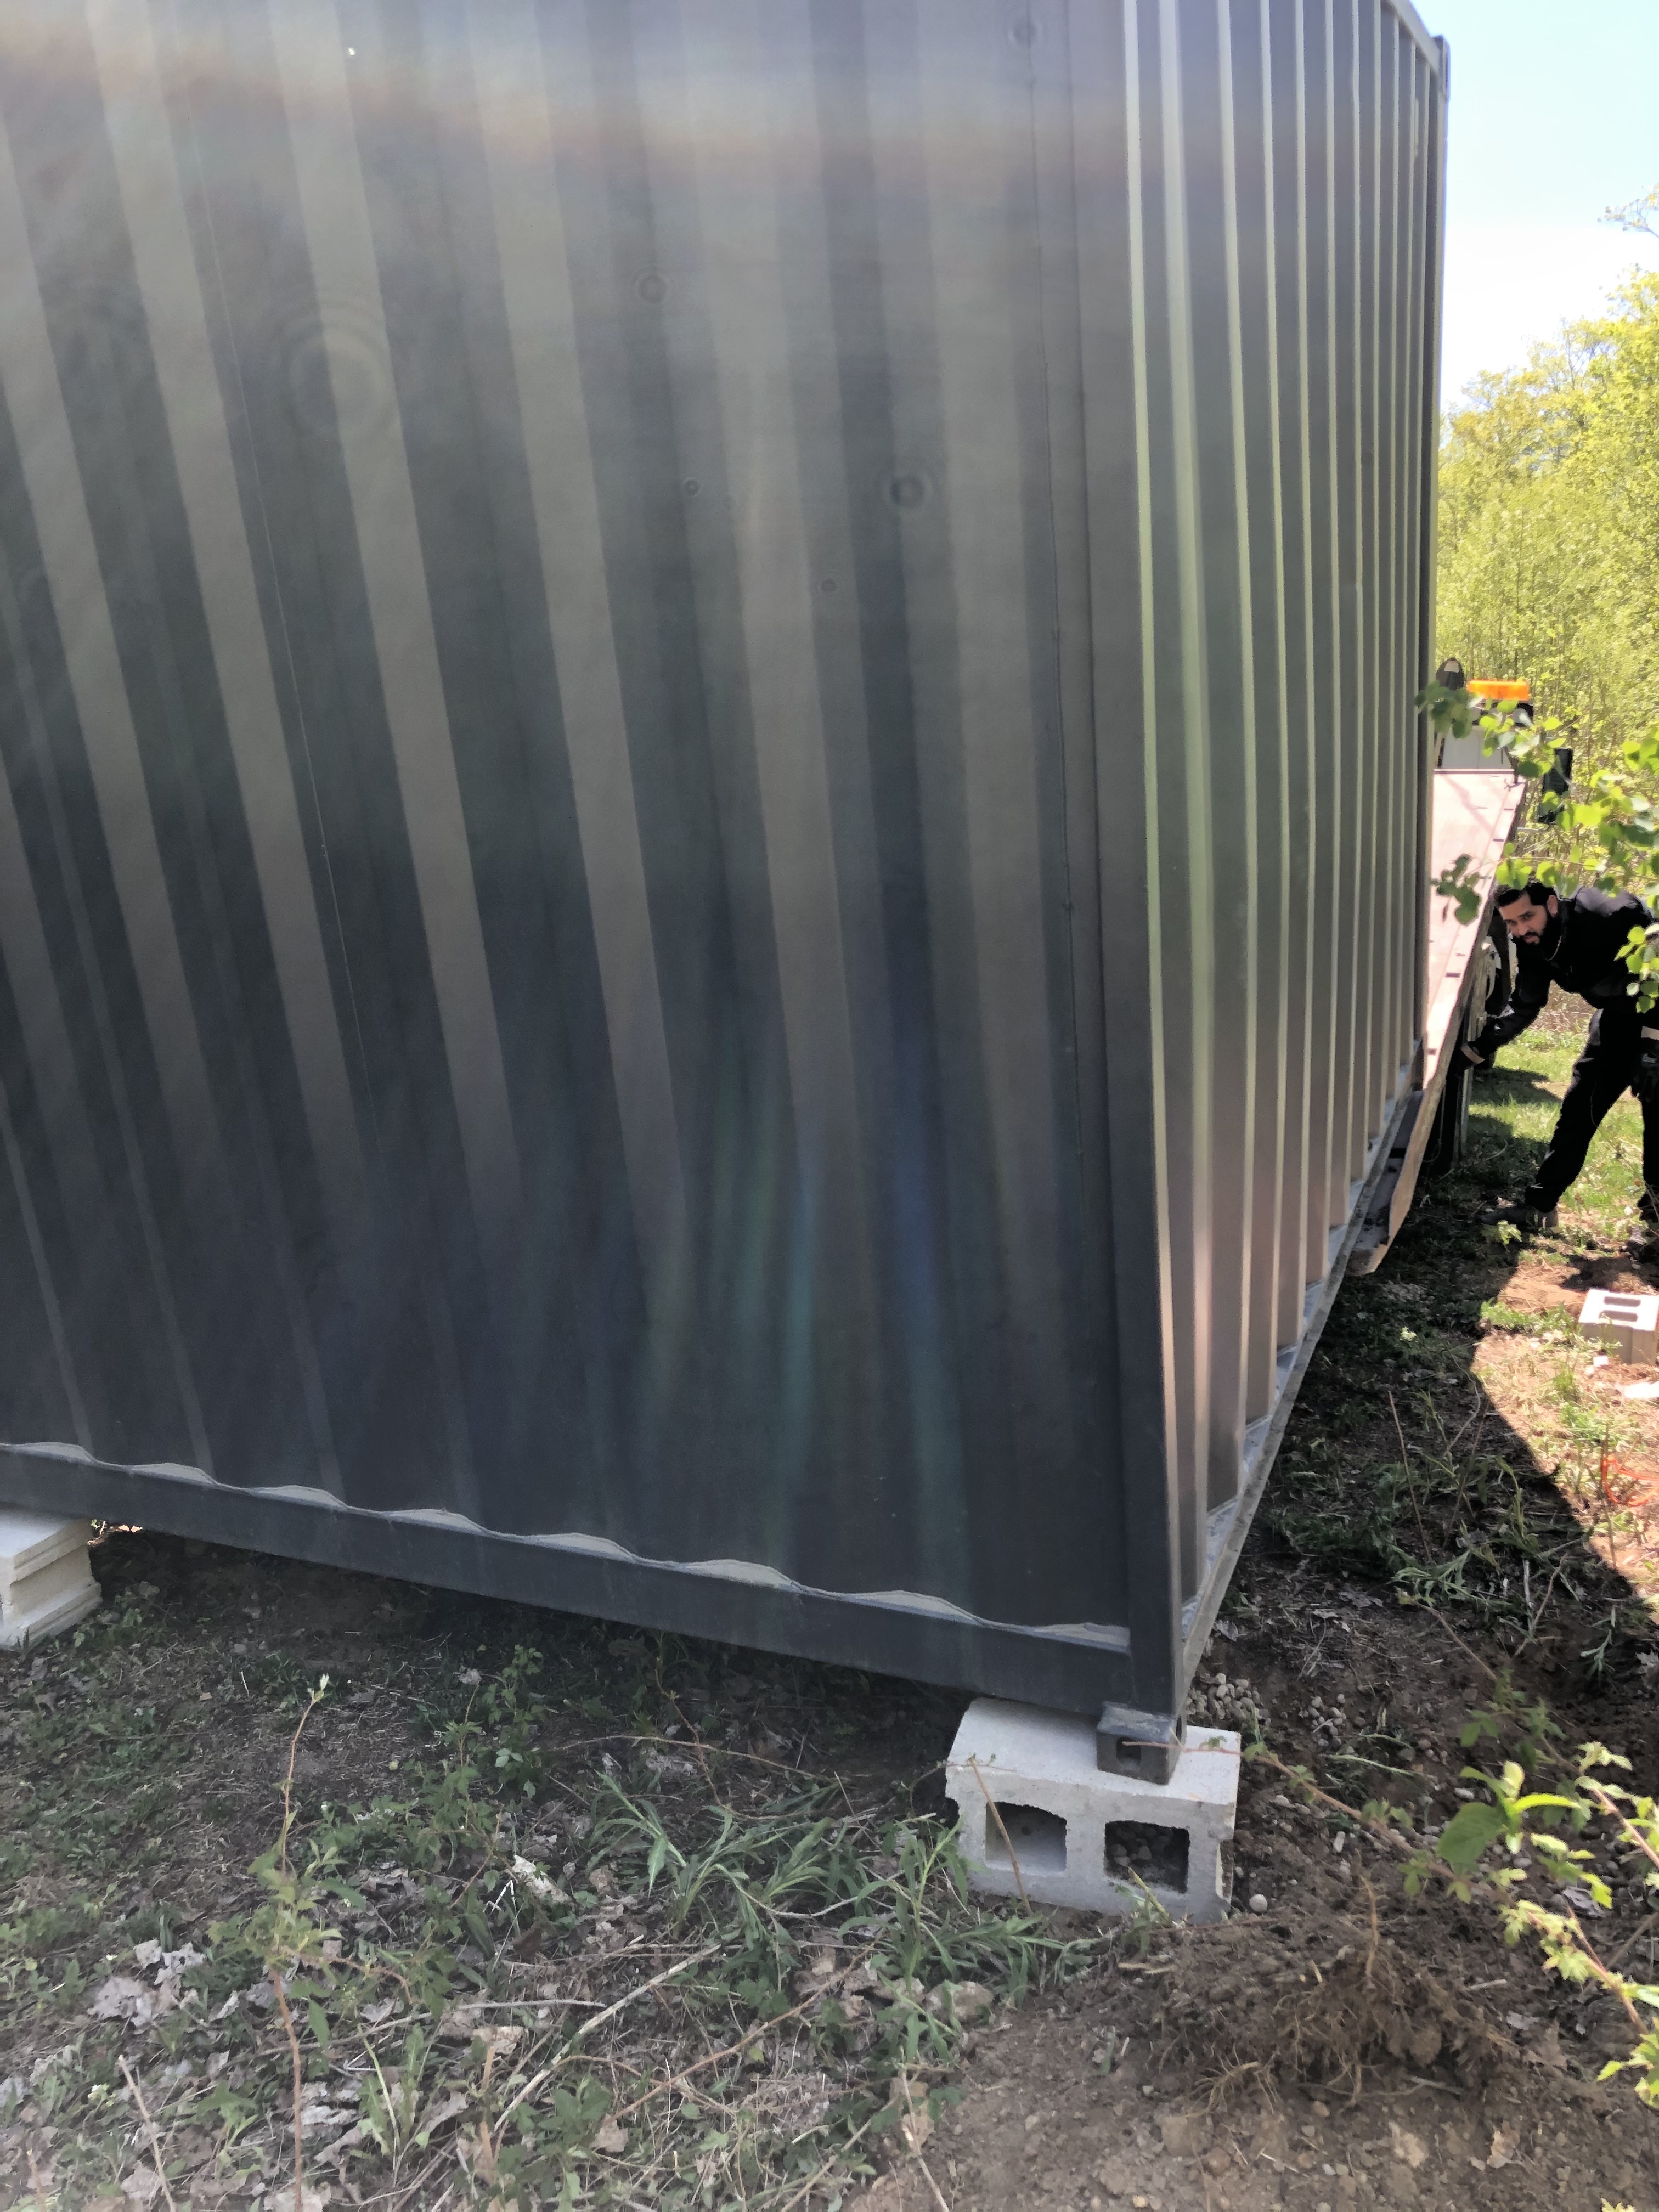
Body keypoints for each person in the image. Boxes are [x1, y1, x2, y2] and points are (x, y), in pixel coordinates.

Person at [1465, 881, 1659, 1239]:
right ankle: (1539, 1209)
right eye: (1511, 924)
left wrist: (1652, 1045)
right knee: (1578, 1110)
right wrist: (1477, 1049)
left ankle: (1654, 1224)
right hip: (1616, 1018)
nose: (1521, 930)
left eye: (1527, 917)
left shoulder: (1609, 913)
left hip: (1655, 1015)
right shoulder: (1533, 944)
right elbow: (1526, 1003)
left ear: (1552, 904)